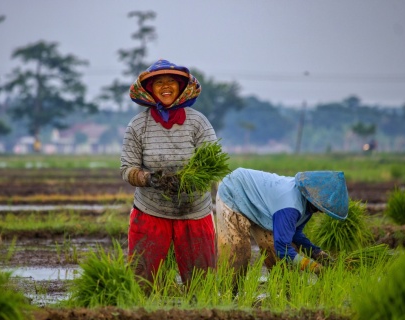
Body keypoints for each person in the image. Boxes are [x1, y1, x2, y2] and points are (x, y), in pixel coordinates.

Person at [120, 59, 217, 287]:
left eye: (171, 81)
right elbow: (127, 169)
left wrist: (189, 181)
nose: (165, 86)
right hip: (151, 211)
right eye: (159, 83)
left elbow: (212, 166)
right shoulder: (137, 126)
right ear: (150, 90)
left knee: (202, 286)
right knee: (143, 282)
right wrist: (150, 178)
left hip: (194, 212)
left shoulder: (198, 123)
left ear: (181, 87)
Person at [216, 168, 349, 277]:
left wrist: (318, 254)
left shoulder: (307, 206)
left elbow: (295, 234)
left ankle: (285, 293)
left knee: (277, 257)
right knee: (239, 253)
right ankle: (228, 297)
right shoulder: (291, 207)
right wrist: (314, 267)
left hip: (261, 207)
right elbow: (282, 247)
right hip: (235, 192)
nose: (322, 211)